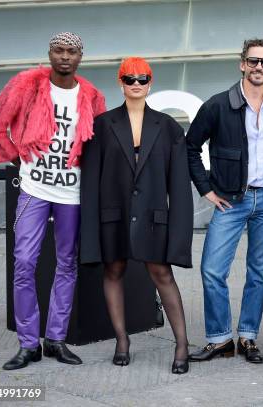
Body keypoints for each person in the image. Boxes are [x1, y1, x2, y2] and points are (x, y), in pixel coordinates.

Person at [0, 33, 106, 370]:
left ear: (81, 57)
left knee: (67, 264)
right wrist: (14, 157)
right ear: (50, 53)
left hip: (72, 195)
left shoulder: (92, 96)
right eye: (59, 50)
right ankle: (28, 343)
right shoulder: (27, 85)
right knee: (24, 263)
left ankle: (56, 339)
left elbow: (100, 146)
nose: (64, 57)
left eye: (71, 52)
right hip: (34, 190)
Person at [80, 57, 193, 374]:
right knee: (113, 272)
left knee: (163, 276)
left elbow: (179, 187)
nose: (136, 84)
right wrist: (89, 232)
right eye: (129, 79)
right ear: (120, 83)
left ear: (150, 83)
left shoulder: (168, 126)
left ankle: (182, 344)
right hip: (112, 216)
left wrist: (179, 233)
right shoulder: (102, 125)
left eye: (142, 79)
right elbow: (90, 181)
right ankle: (122, 340)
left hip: (154, 217)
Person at [186, 39, 263, 363]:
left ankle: (248, 337)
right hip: (230, 201)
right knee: (211, 270)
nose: (259, 67)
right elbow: (190, 147)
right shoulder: (218, 105)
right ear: (242, 64)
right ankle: (220, 338)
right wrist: (206, 189)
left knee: (260, 273)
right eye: (253, 61)